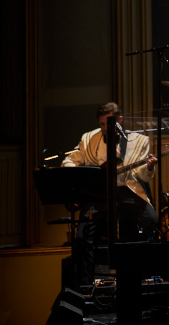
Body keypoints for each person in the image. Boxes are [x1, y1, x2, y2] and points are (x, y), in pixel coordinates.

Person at [62, 102, 158, 284]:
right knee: (82, 235)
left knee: (151, 219)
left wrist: (149, 167)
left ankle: (138, 276)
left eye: (109, 123)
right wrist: (82, 177)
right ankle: (87, 284)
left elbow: (142, 176)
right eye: (101, 124)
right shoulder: (89, 138)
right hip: (99, 193)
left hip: (126, 190)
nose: (105, 128)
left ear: (120, 120)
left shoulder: (139, 141)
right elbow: (70, 160)